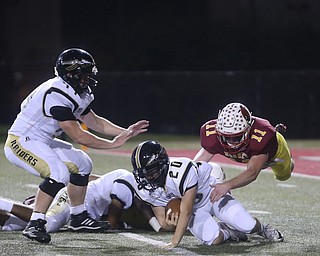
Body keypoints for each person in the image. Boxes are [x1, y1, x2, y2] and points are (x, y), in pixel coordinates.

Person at [3, 48, 149, 243]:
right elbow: (78, 135)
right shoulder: (56, 93)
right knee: (58, 173)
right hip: (20, 141)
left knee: (82, 162)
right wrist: (112, 144)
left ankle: (78, 216)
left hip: (41, 139)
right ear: (70, 73)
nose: (88, 77)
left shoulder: (76, 91)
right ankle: (35, 223)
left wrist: (125, 132)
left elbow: (95, 121)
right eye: (85, 73)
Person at [131, 140, 284, 249]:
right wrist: (171, 224)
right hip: (194, 211)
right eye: (142, 174)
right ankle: (229, 232)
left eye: (150, 173)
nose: (146, 178)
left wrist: (175, 242)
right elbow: (164, 222)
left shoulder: (180, 170)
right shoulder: (146, 188)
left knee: (247, 225)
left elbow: (187, 209)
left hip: (211, 195)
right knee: (213, 239)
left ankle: (262, 229)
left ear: (163, 164)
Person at [194, 102, 294, 203]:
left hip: (274, 153)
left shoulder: (261, 136)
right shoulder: (211, 135)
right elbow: (196, 165)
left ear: (248, 129)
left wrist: (227, 185)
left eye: (236, 137)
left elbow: (252, 173)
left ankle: (289, 160)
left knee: (283, 176)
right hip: (248, 154)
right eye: (226, 137)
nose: (231, 142)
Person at [0, 169, 159, 233]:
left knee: (15, 225)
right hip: (76, 201)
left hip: (77, 200)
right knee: (47, 224)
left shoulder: (122, 177)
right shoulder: (127, 181)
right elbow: (111, 222)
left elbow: (89, 178)